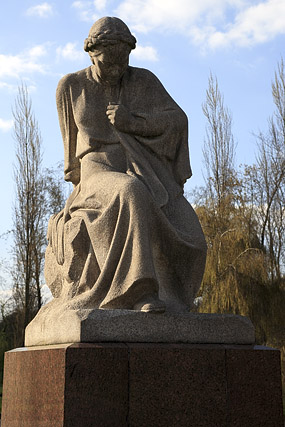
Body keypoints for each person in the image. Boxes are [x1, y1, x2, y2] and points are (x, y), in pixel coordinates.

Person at [45, 16, 207, 313]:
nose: (117, 71)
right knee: (130, 192)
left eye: (123, 62)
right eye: (109, 63)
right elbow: (72, 164)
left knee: (191, 233)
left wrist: (134, 122)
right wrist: (75, 203)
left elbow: (177, 120)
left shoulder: (143, 80)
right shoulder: (71, 87)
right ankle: (140, 292)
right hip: (96, 174)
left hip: (146, 169)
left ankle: (176, 298)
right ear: (93, 53)